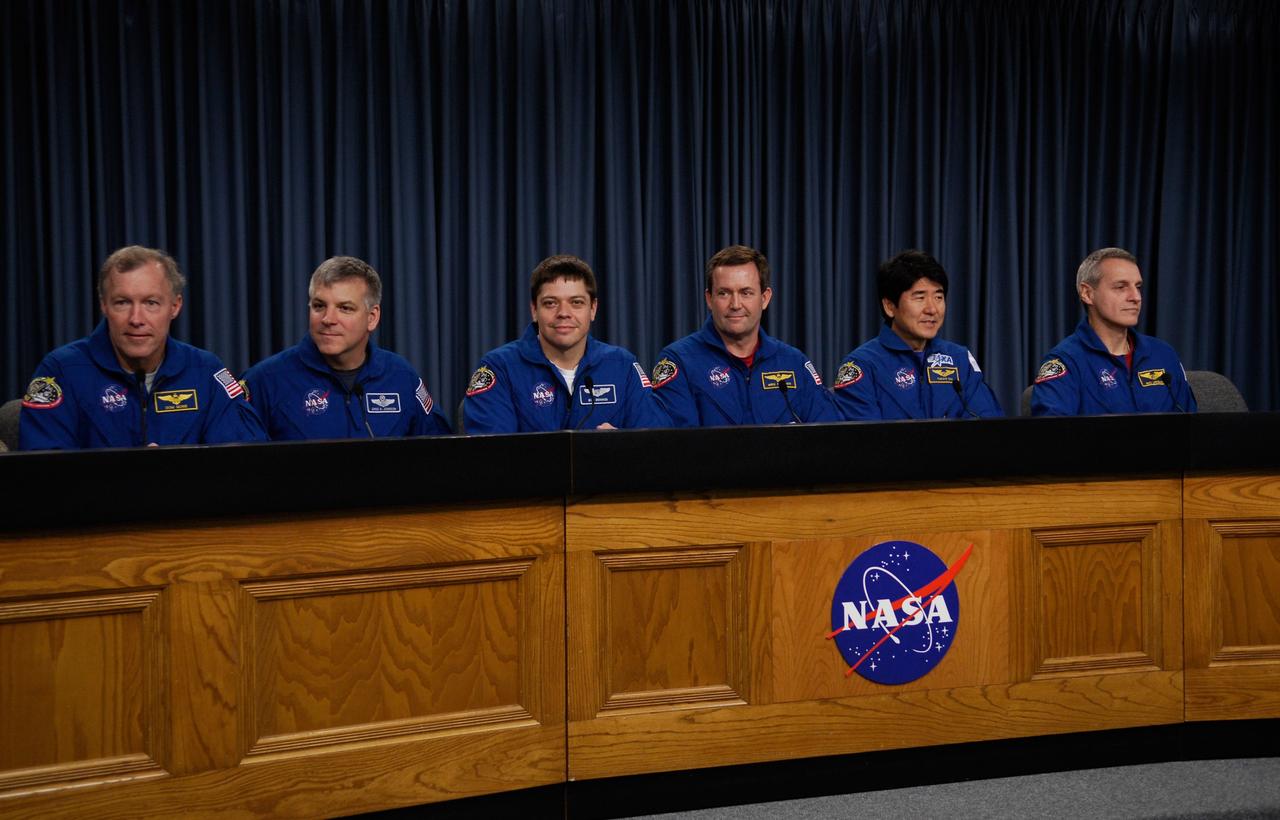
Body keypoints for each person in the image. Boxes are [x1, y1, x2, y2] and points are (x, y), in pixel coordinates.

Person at [19, 245, 266, 450]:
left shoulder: (206, 370)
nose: (136, 318)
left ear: (175, 306)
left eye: (151, 303)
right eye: (122, 302)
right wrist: (131, 478)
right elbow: (43, 476)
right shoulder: (61, 371)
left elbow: (244, 459)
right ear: (104, 305)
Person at [243, 256, 451, 439]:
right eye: (319, 306)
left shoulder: (401, 377)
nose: (328, 319)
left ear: (372, 317)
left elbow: (439, 456)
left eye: (345, 308)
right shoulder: (265, 380)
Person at [462, 254, 669, 433]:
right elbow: (492, 458)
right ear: (534, 310)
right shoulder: (500, 368)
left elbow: (654, 445)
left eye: (576, 302)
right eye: (550, 303)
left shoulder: (622, 365)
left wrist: (621, 446)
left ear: (593, 309)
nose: (563, 313)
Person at [652, 244, 839, 426]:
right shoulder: (679, 362)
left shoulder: (793, 362)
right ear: (709, 299)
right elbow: (676, 447)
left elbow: (827, 438)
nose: (735, 304)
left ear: (764, 298)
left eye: (746, 293)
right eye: (724, 293)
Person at [832, 250, 1002, 420]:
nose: (932, 309)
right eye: (919, 297)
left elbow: (988, 428)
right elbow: (861, 441)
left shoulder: (959, 358)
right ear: (890, 306)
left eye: (938, 297)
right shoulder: (862, 366)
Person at [1032, 247, 1197, 415]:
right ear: (1087, 293)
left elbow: (1191, 426)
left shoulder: (1163, 354)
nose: (1136, 297)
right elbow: (1051, 437)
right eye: (1121, 287)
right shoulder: (1066, 361)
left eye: (1138, 286)